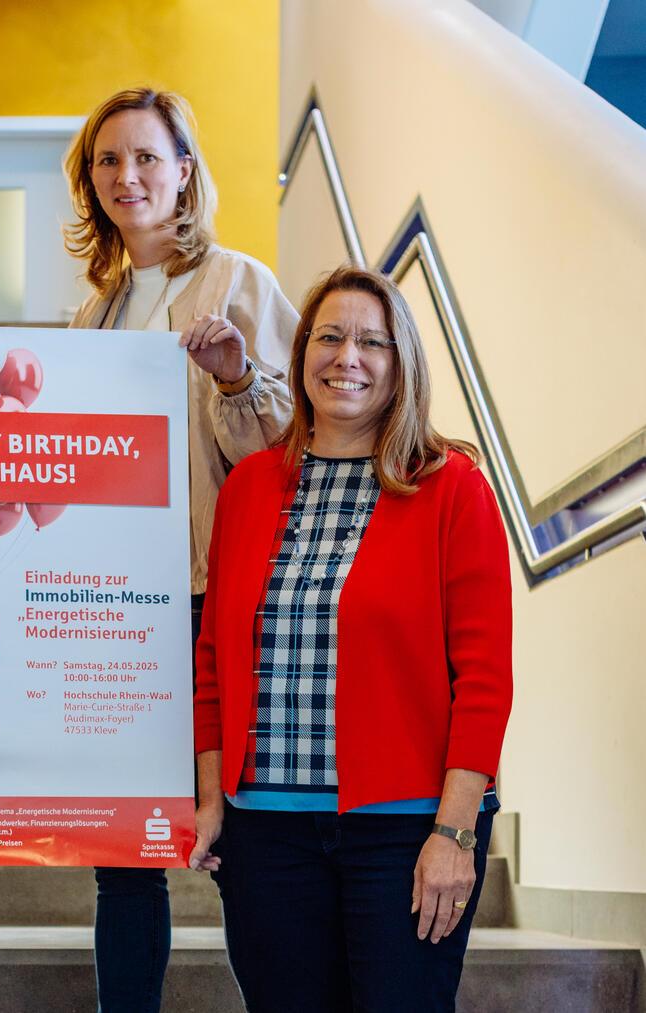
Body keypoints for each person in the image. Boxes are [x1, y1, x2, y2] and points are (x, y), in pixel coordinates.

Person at [190, 265, 514, 1011]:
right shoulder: (249, 487)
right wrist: (213, 798)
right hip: (267, 834)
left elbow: (485, 679)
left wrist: (455, 834)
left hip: (405, 831)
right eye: (329, 337)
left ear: (402, 364)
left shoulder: (451, 487)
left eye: (373, 342)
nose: (348, 357)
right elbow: (213, 662)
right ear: (301, 353)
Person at [63, 87, 297, 1012]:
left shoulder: (240, 283)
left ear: (185, 169)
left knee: (240, 845)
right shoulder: (90, 320)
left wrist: (237, 375)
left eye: (147, 157)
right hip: (115, 614)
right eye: (108, 161)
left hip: (212, 606)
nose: (128, 177)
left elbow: (290, 452)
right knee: (125, 856)